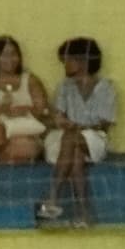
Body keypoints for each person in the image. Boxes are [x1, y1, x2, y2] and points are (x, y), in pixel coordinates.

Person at [0, 34, 54, 208]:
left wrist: (24, 110)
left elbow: (43, 110)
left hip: (22, 133)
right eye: (5, 55)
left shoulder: (31, 80)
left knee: (28, 149)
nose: (10, 59)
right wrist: (0, 109)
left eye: (14, 54)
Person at [48, 37, 115, 226]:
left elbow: (104, 125)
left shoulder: (106, 88)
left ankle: (52, 197)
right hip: (68, 141)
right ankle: (83, 213)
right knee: (76, 156)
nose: (64, 64)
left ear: (83, 61)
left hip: (94, 139)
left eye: (68, 60)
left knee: (72, 138)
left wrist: (78, 127)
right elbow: (58, 116)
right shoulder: (64, 86)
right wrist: (61, 121)